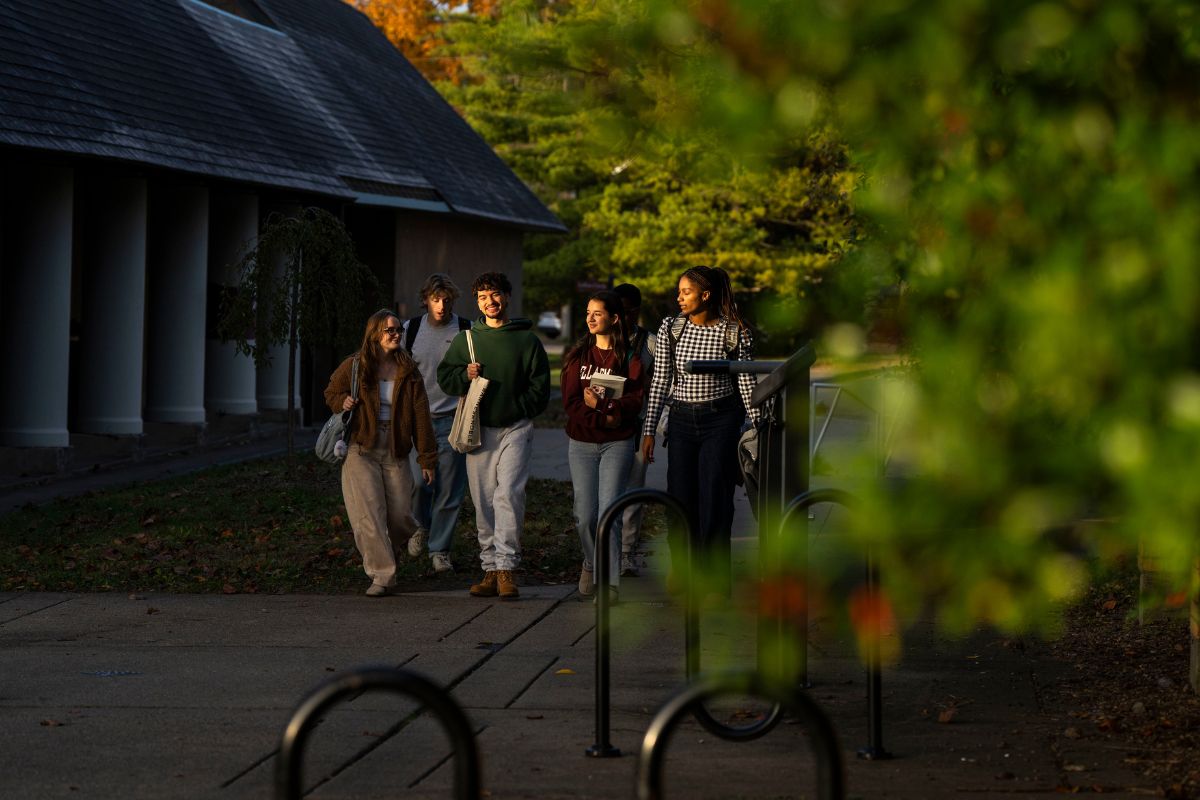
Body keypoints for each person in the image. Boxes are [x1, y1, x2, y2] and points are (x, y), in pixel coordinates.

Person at [640, 266, 759, 602]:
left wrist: (760, 427)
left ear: (705, 295)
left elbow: (747, 385)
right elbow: (661, 380)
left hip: (720, 422)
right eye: (679, 292)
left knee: (715, 500)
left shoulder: (734, 333)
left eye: (686, 292)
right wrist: (649, 430)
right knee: (679, 497)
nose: (679, 298)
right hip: (680, 422)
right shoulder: (671, 328)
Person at [437, 272, 550, 600]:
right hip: (479, 429)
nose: (490, 301)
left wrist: (519, 407)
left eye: (496, 294)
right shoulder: (467, 340)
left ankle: (506, 569)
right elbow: (446, 377)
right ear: (477, 302)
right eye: (483, 297)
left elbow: (540, 385)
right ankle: (489, 568)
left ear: (507, 296)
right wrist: (464, 373)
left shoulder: (527, 341)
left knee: (508, 496)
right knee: (484, 499)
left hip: (516, 428)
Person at [324, 309, 438, 597]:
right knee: (369, 515)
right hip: (361, 448)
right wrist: (343, 401)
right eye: (390, 330)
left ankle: (401, 542)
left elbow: (422, 417)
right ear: (375, 334)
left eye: (398, 329)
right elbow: (330, 393)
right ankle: (382, 575)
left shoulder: (409, 371)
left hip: (396, 447)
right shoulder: (355, 366)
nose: (396, 334)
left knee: (400, 514)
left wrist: (427, 457)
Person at [562, 290, 646, 600]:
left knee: (611, 509)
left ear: (614, 318)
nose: (591, 318)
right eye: (588, 313)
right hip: (582, 442)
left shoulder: (629, 357)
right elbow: (571, 402)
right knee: (585, 514)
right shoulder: (577, 356)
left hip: (618, 443)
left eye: (598, 313)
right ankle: (590, 561)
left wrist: (609, 410)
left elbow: (635, 400)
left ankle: (609, 584)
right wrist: (602, 417)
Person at [403, 273, 473, 574]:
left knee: (449, 489)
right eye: (435, 299)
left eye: (446, 300)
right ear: (425, 300)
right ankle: (420, 526)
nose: (441, 305)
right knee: (419, 483)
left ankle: (440, 549)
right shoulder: (411, 329)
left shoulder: (466, 330)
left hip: (453, 419)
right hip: (418, 421)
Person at [612, 282, 656, 578]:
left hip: (638, 425)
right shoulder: (598, 340)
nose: (619, 319)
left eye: (625, 313)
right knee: (606, 491)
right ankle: (604, 551)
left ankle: (627, 553)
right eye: (614, 312)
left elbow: (661, 386)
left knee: (633, 491)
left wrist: (653, 427)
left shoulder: (649, 343)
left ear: (636, 312)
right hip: (604, 427)